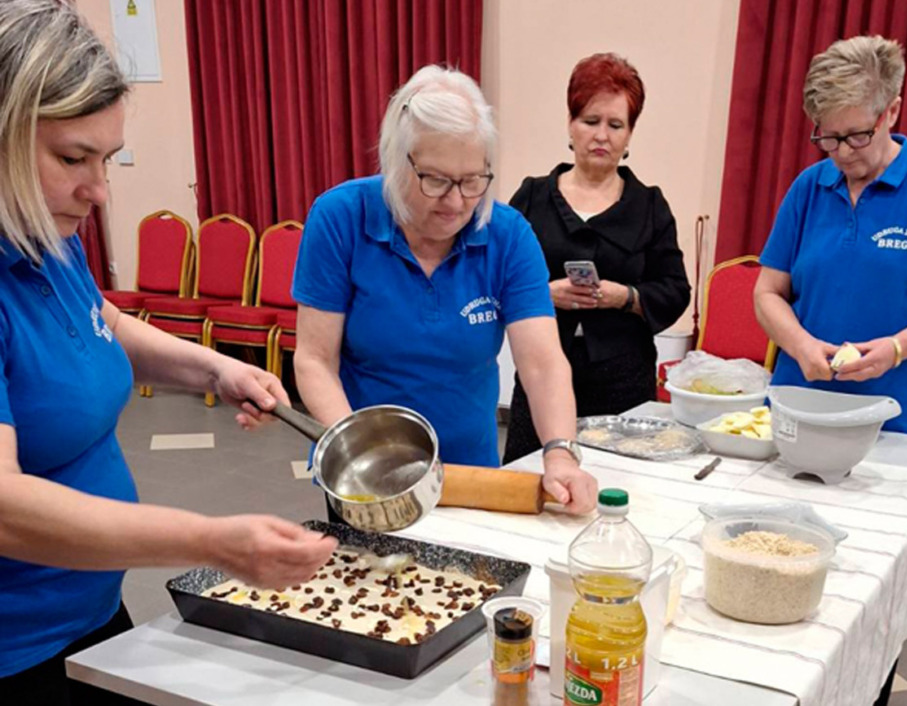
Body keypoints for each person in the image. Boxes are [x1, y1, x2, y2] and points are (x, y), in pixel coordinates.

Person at [0, 2, 337, 700]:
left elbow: (102, 326)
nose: (98, 191)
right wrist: (210, 543)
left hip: (89, 611)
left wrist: (214, 366)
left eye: (106, 158)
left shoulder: (45, 230)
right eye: (72, 158)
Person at [292, 65, 598, 515]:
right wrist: (359, 455)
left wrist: (560, 452)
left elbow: (543, 363)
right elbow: (315, 359)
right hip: (367, 474)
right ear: (397, 162)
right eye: (435, 180)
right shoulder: (340, 218)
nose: (456, 202)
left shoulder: (507, 235)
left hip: (472, 475)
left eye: (473, 180)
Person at [754, 35, 907, 435]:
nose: (842, 153)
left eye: (857, 135)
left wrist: (897, 349)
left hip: (893, 415)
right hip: (798, 406)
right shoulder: (809, 187)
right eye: (828, 138)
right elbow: (767, 291)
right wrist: (799, 345)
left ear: (891, 112)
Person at [501, 53, 691, 463]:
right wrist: (543, 294)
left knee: (618, 487)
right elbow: (493, 280)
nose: (601, 135)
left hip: (623, 377)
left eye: (615, 125)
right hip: (541, 370)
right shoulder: (532, 197)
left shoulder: (650, 205)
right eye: (590, 121)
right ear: (570, 125)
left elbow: (676, 290)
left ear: (630, 135)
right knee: (528, 484)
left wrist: (623, 296)